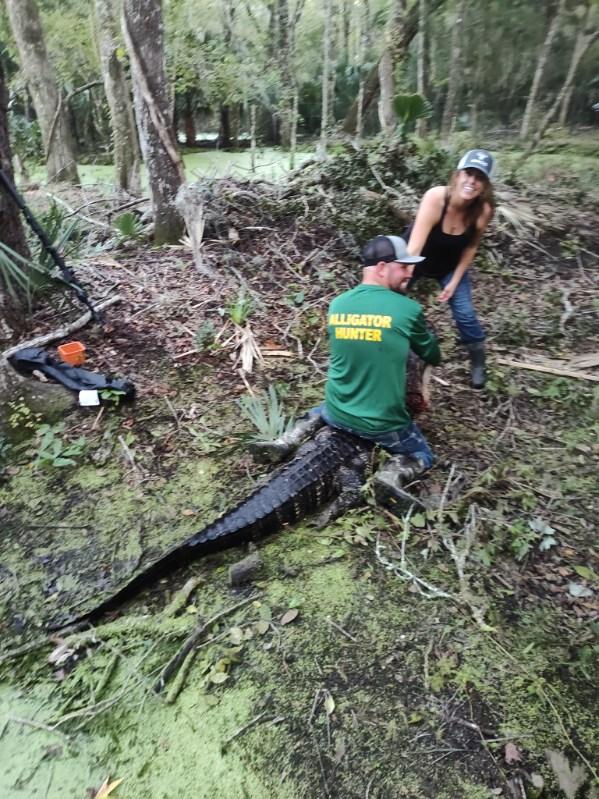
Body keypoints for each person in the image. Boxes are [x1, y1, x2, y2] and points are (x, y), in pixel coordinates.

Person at [252, 235, 441, 500]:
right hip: (382, 425)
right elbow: (433, 353)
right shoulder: (408, 309)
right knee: (421, 454)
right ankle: (391, 476)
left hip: (337, 412)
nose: (410, 272)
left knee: (322, 407)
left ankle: (287, 439)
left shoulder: (337, 305)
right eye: (403, 266)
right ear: (382, 268)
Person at [406, 149, 495, 389]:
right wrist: (403, 278)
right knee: (392, 301)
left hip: (449, 264)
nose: (472, 181)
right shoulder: (436, 198)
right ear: (457, 175)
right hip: (417, 257)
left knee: (465, 313)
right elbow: (414, 246)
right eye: (468, 173)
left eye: (479, 177)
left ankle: (477, 361)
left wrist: (454, 282)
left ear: (485, 184)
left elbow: (471, 248)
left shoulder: (483, 210)